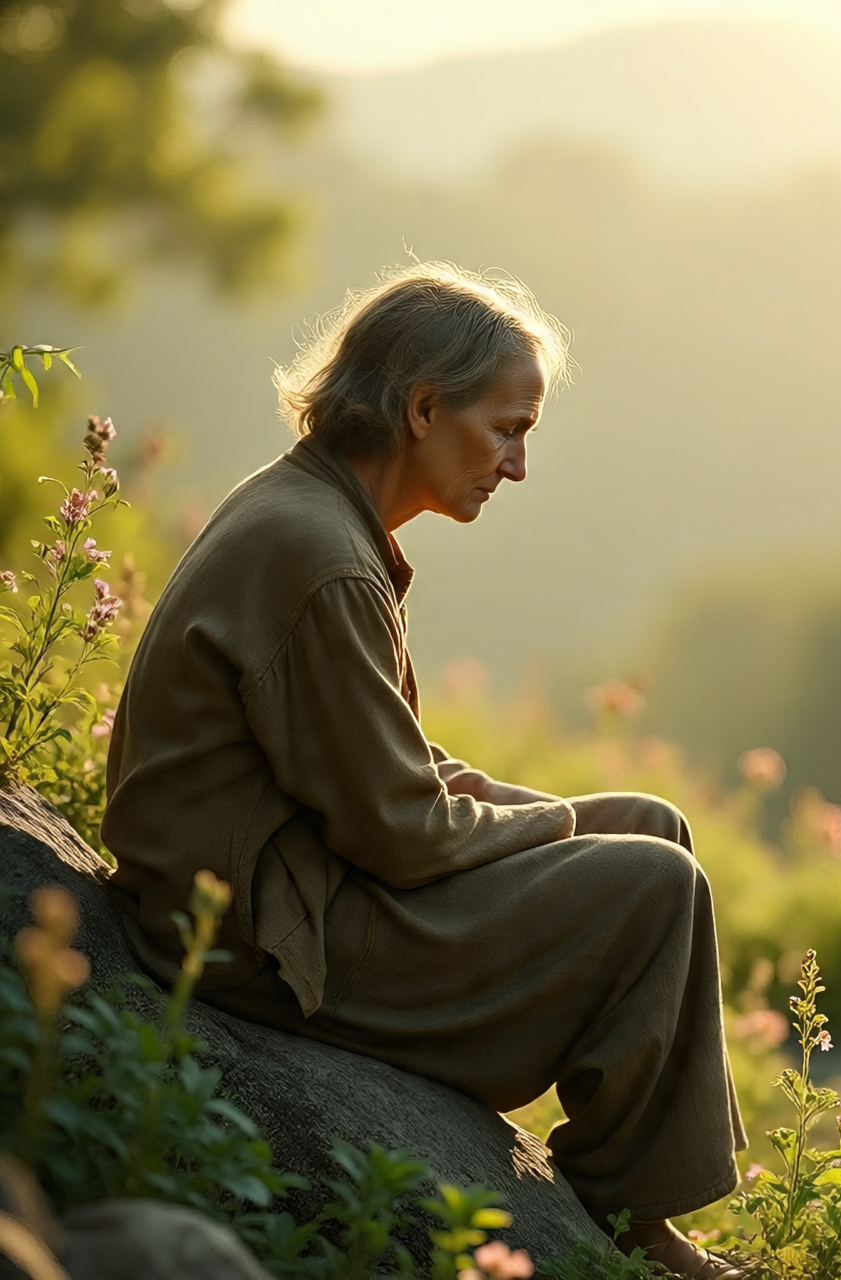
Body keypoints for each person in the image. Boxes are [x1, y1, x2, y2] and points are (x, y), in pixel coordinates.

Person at [102, 263, 747, 1279]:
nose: (518, 463)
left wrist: (556, 817)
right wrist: (546, 828)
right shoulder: (321, 557)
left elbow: (380, 762)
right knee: (655, 882)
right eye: (507, 428)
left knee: (648, 823)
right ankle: (625, 1217)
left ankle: (634, 1198)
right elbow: (398, 829)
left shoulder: (313, 514)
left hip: (301, 879)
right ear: (421, 408)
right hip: (258, 935)